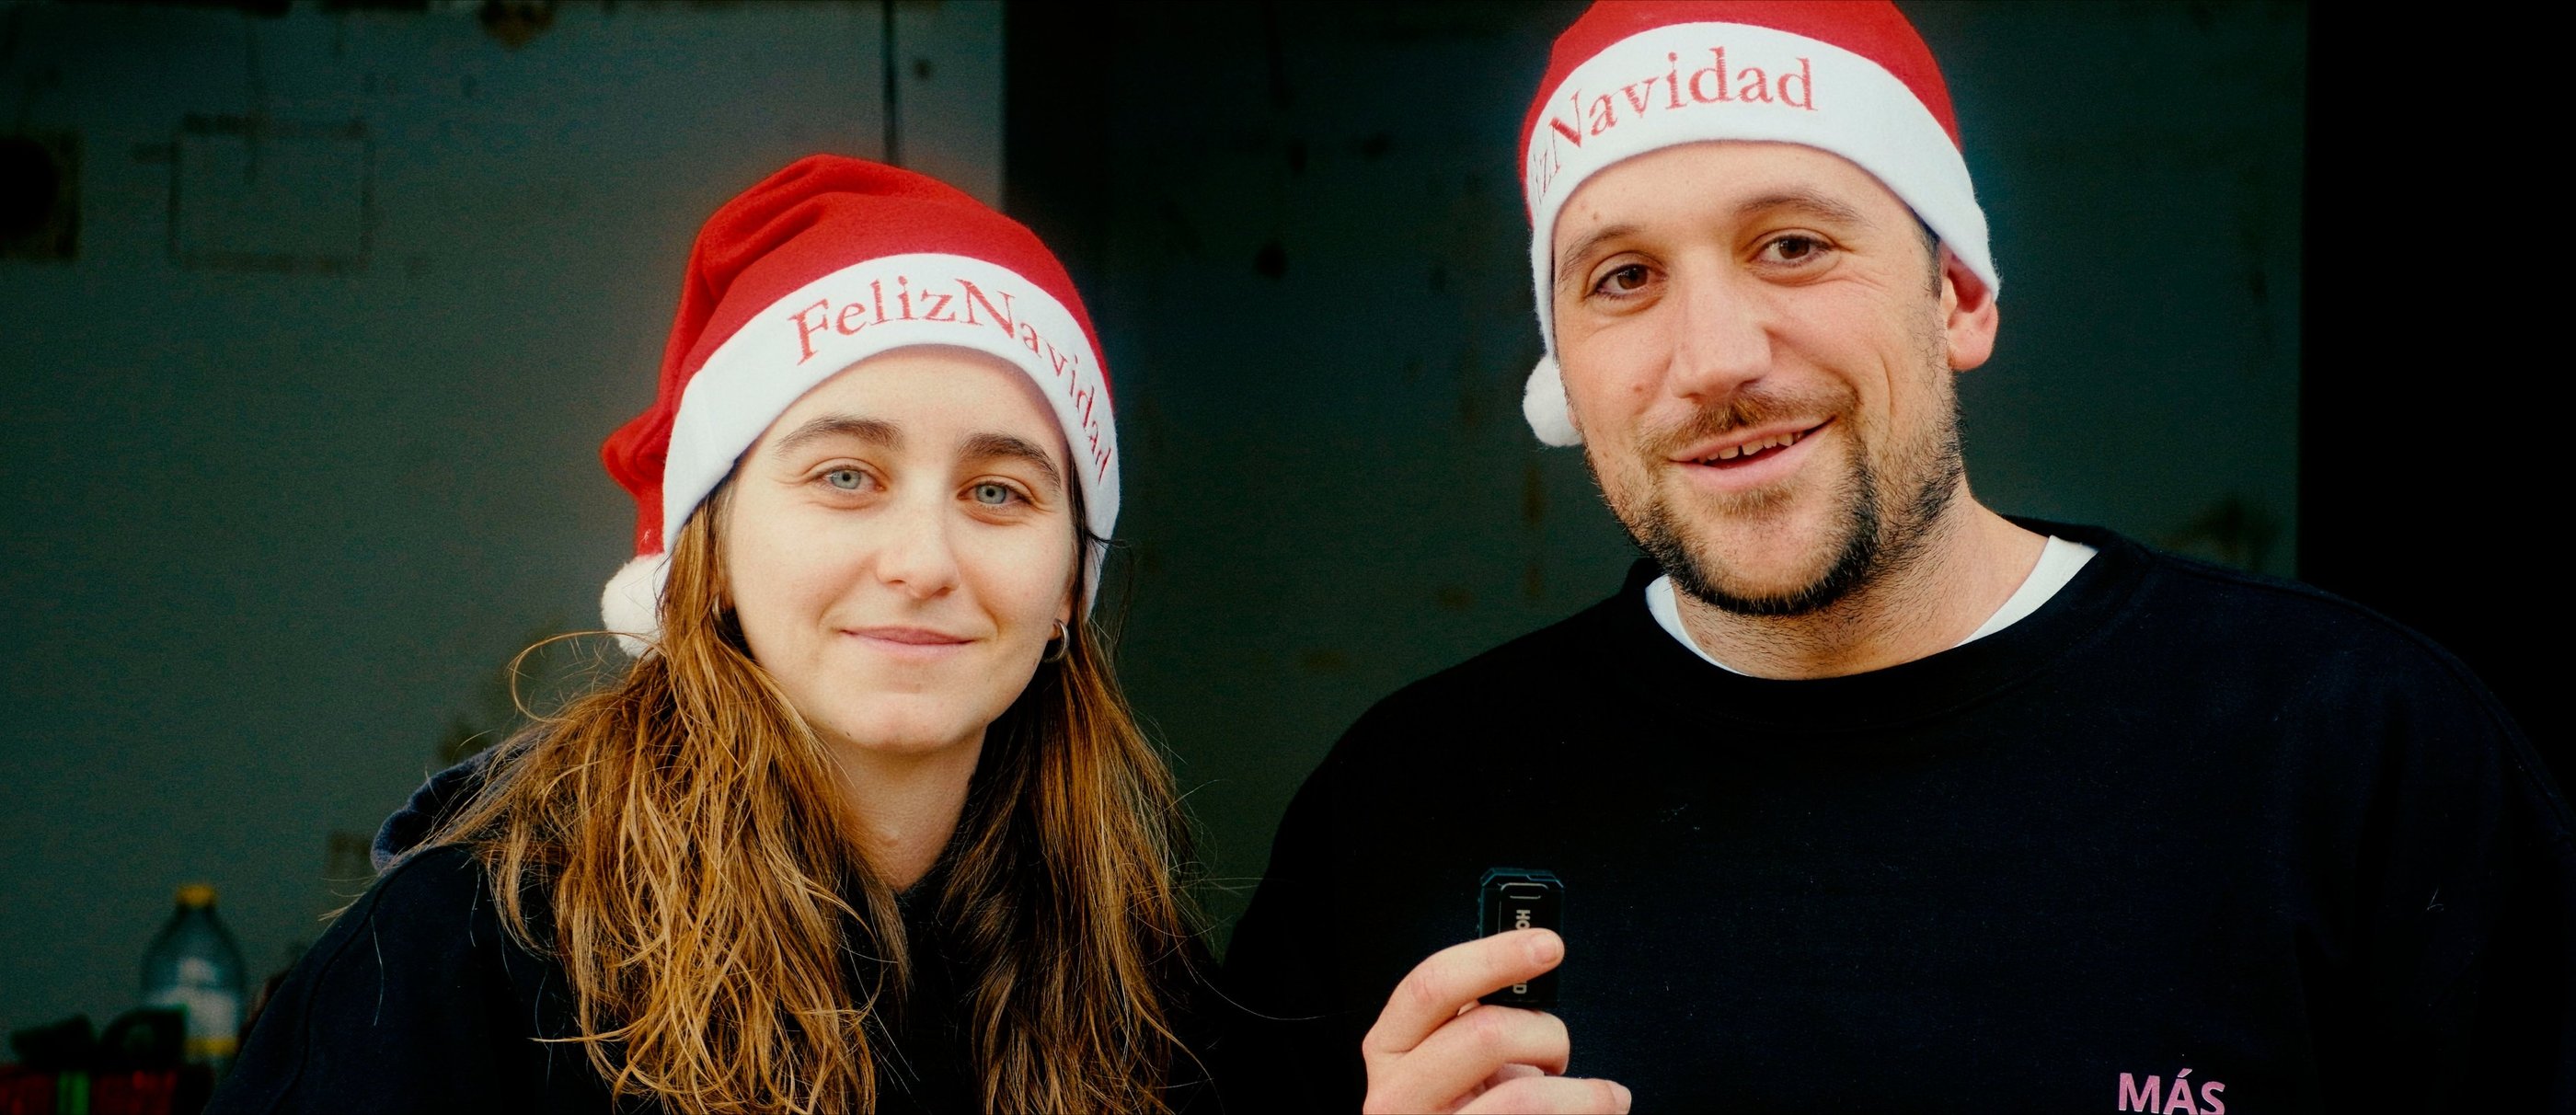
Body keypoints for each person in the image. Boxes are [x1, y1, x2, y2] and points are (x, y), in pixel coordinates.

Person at [1214, 3, 2575, 1112]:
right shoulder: (1403, 802)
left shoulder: (2354, 754)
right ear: (1564, 365)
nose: (1718, 361)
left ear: (1960, 296)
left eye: (1793, 245)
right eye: (1622, 278)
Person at [211, 156, 1209, 1114]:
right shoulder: (461, 955)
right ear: (710, 548)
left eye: (999, 492)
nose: (923, 561)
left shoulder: (1144, 983)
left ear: (1071, 586)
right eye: (845, 477)